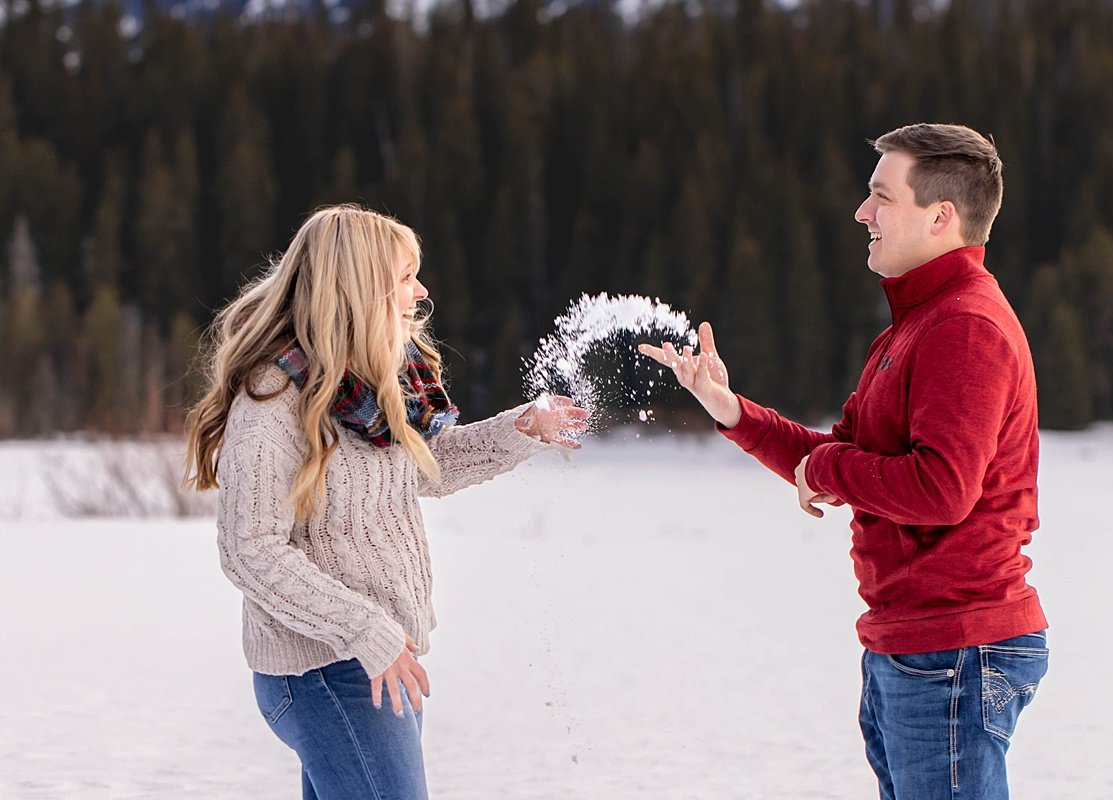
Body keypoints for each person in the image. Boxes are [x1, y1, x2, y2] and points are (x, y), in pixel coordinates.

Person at [640, 123, 1048, 800]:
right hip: (916, 645)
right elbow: (836, 458)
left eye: (882, 196)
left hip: (953, 648)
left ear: (941, 217)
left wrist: (827, 472)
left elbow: (941, 489)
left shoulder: (965, 327)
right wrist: (726, 406)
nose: (863, 213)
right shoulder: (913, 327)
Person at [185, 204, 587, 800]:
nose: (420, 292)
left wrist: (521, 429)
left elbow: (422, 468)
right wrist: (366, 632)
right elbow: (249, 549)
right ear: (357, 286)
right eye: (404, 277)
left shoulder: (365, 386)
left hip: (372, 661)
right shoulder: (272, 400)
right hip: (326, 668)